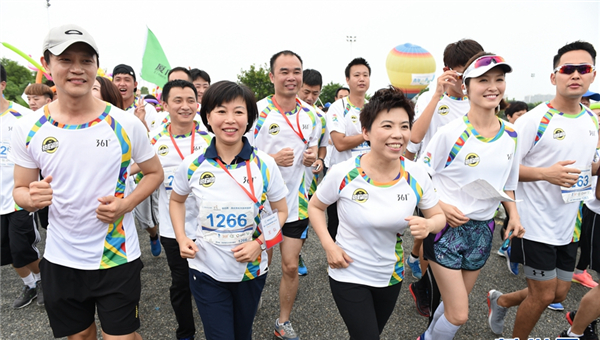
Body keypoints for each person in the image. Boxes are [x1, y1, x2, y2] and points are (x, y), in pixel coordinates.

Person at [11, 24, 163, 340]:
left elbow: (154, 173)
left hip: (116, 255)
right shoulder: (29, 127)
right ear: (46, 64)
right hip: (60, 258)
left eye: (86, 60)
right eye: (66, 59)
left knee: (119, 337)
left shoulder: (124, 123)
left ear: (96, 65)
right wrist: (31, 198)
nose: (77, 69)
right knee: (79, 337)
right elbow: (20, 190)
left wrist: (126, 204)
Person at [308, 86, 446, 340]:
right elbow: (315, 206)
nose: (398, 135)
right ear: (366, 132)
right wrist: (329, 246)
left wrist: (429, 226)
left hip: (390, 275)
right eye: (387, 126)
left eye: (404, 126)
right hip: (348, 271)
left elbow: (439, 217)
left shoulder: (416, 174)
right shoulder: (344, 173)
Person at [487, 41, 598, 340]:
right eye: (567, 69)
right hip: (533, 224)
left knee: (558, 291)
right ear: (554, 77)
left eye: (583, 69)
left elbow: (588, 167)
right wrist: (544, 174)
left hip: (567, 225)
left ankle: (502, 300)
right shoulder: (533, 121)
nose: (575, 75)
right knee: (543, 294)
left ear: (592, 75)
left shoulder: (591, 120)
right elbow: (502, 169)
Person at [417, 53, 525, 340]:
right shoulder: (451, 133)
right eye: (483, 80)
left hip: (482, 230)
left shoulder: (512, 134)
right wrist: (440, 205)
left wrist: (513, 214)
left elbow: (509, 182)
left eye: (499, 79)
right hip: (446, 230)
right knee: (459, 313)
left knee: (452, 304)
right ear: (466, 87)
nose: (493, 86)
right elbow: (418, 177)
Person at [171, 80, 288, 340]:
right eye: (221, 111)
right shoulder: (192, 165)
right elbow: (177, 200)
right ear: (208, 117)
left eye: (238, 111)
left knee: (242, 333)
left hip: (251, 270)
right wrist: (181, 237)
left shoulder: (265, 164)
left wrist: (259, 243)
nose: (230, 119)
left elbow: (281, 211)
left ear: (249, 118)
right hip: (205, 268)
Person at [405, 41, 484, 311]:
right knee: (435, 244)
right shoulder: (432, 98)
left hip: (467, 189)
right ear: (447, 71)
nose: (467, 83)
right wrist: (438, 95)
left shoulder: (480, 102)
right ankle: (427, 290)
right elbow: (414, 138)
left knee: (457, 250)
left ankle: (426, 286)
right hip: (432, 185)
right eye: (462, 76)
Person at [249, 50, 320, 340]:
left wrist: (315, 159)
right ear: (272, 76)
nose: (291, 77)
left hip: (297, 203)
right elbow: (242, 154)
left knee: (290, 265)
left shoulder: (313, 114)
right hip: (263, 206)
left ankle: (283, 322)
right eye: (284, 71)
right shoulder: (257, 111)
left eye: (296, 71)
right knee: (258, 264)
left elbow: (316, 153)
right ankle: (250, 304)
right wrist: (271, 159)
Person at [140, 80, 211, 340]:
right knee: (181, 285)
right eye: (178, 101)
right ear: (165, 105)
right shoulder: (153, 141)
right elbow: (134, 170)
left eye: (190, 100)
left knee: (209, 283)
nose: (185, 106)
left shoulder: (210, 138)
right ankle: (186, 333)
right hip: (173, 228)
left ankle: (217, 329)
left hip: (210, 226)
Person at [1, 64, 43, 309]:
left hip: (19, 197)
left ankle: (45, 279)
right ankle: (31, 285)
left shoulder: (22, 116)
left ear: (3, 85)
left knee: (21, 250)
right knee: (6, 255)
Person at [113, 64, 162, 256]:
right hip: (115, 171)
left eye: (127, 80)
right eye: (118, 79)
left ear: (134, 84)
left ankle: (153, 234)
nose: (122, 84)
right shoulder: (107, 107)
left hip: (141, 170)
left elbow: (154, 142)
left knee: (146, 220)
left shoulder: (147, 109)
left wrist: (140, 121)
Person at [326, 58, 372, 242]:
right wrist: (367, 134)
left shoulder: (372, 107)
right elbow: (340, 143)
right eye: (357, 75)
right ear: (347, 79)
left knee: (363, 223)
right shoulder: (338, 107)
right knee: (337, 225)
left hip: (367, 176)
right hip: (342, 178)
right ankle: (334, 259)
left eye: (365, 75)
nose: (362, 79)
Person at [296, 68, 328, 276]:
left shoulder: (320, 116)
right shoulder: (276, 112)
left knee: (301, 225)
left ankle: (296, 253)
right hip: (276, 181)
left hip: (307, 183)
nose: (310, 97)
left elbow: (323, 146)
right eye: (306, 91)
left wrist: (320, 159)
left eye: (315, 93)